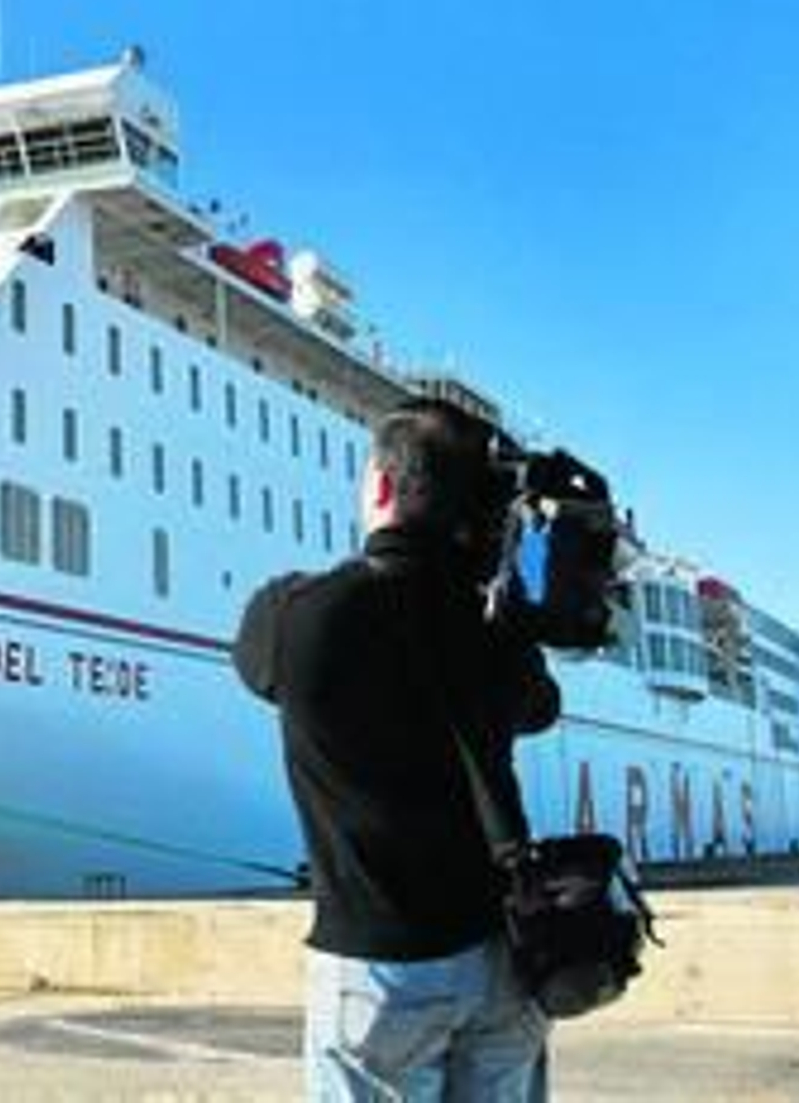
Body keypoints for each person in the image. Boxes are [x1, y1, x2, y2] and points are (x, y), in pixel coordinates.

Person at [234, 397, 561, 1101]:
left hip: (382, 967)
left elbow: (251, 658)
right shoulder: (496, 634)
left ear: (382, 485)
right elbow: (541, 708)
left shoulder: (297, 618)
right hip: (502, 961)